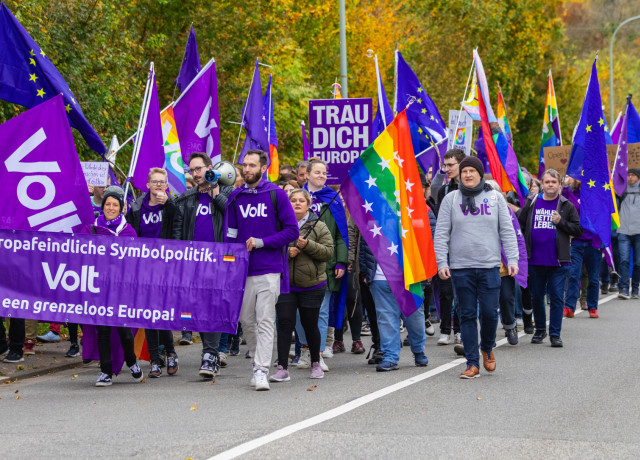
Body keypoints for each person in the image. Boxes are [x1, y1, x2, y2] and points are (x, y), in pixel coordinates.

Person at [434, 156, 519, 379]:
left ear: (480, 174)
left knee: (490, 313)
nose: (468, 175)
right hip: (461, 268)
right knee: (467, 315)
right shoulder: (451, 199)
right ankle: (472, 362)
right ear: (459, 175)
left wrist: (513, 259)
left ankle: (487, 346)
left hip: (489, 266)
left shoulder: (495, 198)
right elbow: (441, 233)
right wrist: (442, 262)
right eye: (464, 171)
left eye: (472, 171)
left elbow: (507, 230)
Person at [224, 149, 299, 391]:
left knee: (265, 320)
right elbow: (231, 235)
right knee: (247, 321)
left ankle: (261, 369)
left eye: (252, 165)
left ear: (263, 168)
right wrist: (229, 263)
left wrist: (262, 242)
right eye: (244, 165)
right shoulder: (236, 197)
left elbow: (292, 231)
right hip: (243, 272)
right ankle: (259, 360)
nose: (247, 169)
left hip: (269, 269)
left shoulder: (276, 194)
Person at [173, 153, 234, 379]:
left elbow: (231, 213)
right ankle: (210, 352)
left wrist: (215, 190)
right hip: (193, 264)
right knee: (198, 308)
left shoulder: (227, 192)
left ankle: (211, 356)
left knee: (214, 308)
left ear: (210, 168)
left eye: (199, 169)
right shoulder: (186, 199)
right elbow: (178, 232)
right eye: (192, 171)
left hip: (220, 263)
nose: (196, 174)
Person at [81, 186, 143, 387]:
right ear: (103, 205)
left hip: (122, 289)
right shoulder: (91, 228)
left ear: (121, 208)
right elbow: (79, 253)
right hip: (99, 288)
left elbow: (136, 260)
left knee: (124, 330)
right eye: (107, 204)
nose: (110, 208)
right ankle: (105, 371)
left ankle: (132, 362)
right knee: (103, 330)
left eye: (115, 204)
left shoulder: (128, 231)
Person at [271, 189, 333, 382]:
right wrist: (286, 251)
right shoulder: (279, 225)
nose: (297, 203)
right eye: (293, 200)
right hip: (285, 285)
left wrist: (307, 246)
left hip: (311, 285)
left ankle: (316, 362)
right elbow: (270, 246)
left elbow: (327, 252)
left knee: (310, 324)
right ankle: (282, 367)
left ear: (308, 204)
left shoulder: (319, 226)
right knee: (284, 324)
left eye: (301, 201)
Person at [517, 169, 582, 347]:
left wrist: (561, 222)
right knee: (537, 296)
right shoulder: (532, 202)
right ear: (542, 184)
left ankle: (555, 334)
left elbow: (577, 229)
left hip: (559, 261)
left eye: (554, 182)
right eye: (547, 182)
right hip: (535, 259)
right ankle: (539, 330)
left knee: (556, 297)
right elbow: (520, 225)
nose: (550, 185)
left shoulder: (566, 205)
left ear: (559, 184)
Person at [127, 168, 179, 378]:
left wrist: (169, 203)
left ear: (166, 185)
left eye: (162, 181)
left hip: (165, 266)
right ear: (147, 185)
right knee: (149, 312)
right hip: (143, 267)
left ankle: (171, 353)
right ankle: (156, 361)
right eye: (155, 181)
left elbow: (179, 223)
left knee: (162, 311)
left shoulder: (171, 205)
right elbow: (130, 234)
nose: (158, 185)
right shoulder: (137, 207)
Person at [297, 159, 348, 371]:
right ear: (306, 174)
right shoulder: (295, 198)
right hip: (298, 264)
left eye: (324, 172)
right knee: (300, 312)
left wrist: (342, 261)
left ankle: (317, 354)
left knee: (322, 310)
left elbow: (340, 235)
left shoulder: (332, 199)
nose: (321, 175)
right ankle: (304, 350)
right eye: (317, 172)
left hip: (324, 263)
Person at [434, 149, 466, 346]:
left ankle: (460, 330)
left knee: (462, 291)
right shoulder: (444, 190)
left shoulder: (473, 188)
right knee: (445, 289)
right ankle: (445, 329)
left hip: (465, 246)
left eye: (450, 165)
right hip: (447, 245)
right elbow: (440, 221)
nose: (446, 169)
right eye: (444, 165)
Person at [561, 176, 602, 318]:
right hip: (576, 241)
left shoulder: (598, 195)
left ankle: (592, 307)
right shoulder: (572, 194)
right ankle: (569, 307)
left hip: (593, 242)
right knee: (574, 274)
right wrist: (565, 186)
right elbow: (563, 202)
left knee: (593, 277)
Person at [617, 168, 640, 299]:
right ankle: (624, 288)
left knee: (638, 262)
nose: (630, 177)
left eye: (633, 175)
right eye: (628, 175)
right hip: (624, 230)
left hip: (639, 231)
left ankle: (635, 288)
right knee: (624, 260)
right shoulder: (622, 190)